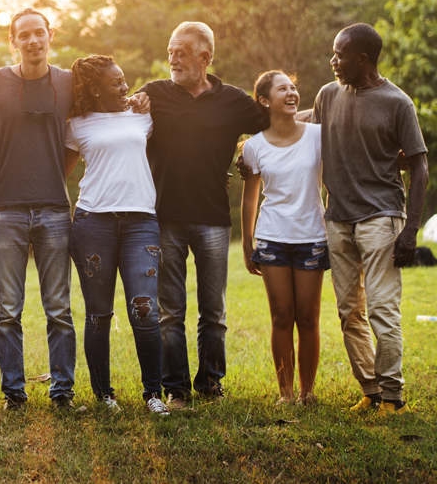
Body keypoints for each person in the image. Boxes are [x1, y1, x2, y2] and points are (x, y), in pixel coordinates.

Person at [137, 22, 267, 409]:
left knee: (214, 311)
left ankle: (210, 384)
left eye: (180, 52)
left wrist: (246, 158)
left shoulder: (234, 100)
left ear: (204, 58)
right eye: (170, 51)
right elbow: (120, 111)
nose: (172, 59)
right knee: (170, 311)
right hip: (165, 217)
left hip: (212, 218)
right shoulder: (155, 94)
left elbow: (275, 123)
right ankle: (175, 388)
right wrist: (134, 101)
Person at [312, 24, 427, 415]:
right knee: (349, 311)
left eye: (339, 55)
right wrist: (250, 151)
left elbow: (420, 168)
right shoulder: (328, 95)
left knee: (381, 308)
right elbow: (299, 137)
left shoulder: (398, 103)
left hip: (381, 216)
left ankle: (393, 397)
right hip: (338, 217)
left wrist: (410, 229)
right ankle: (371, 390)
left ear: (362, 59)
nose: (333, 61)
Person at [0, 9, 77, 410]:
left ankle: (62, 392)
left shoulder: (69, 82)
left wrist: (56, 175)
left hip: (53, 210)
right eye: (24, 35)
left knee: (59, 309)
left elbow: (78, 137)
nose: (33, 41)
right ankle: (14, 393)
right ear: (13, 41)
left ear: (50, 35)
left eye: (39, 33)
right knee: (7, 310)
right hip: (4, 211)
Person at [65, 56, 170, 416]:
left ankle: (153, 393)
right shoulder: (76, 124)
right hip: (93, 222)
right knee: (98, 313)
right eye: (116, 83)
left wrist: (145, 100)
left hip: (142, 221)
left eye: (125, 80)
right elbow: (59, 174)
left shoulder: (143, 115)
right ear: (94, 89)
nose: (125, 87)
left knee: (145, 310)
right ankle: (103, 396)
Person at [240, 71, 327, 406]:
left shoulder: (318, 136)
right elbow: (250, 198)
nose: (291, 93)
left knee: (308, 316)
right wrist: (248, 245)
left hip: (311, 236)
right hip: (272, 238)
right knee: (281, 315)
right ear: (264, 100)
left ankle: (307, 392)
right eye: (282, 89)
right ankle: (285, 394)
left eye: (293, 87)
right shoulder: (253, 146)